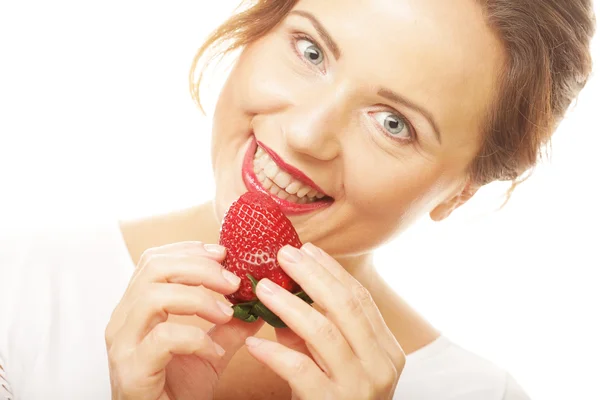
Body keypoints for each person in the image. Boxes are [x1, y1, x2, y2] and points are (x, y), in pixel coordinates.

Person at [0, 0, 596, 399]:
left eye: (393, 122)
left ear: (460, 192)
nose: (308, 133)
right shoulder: (16, 287)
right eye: (311, 52)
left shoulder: (478, 395)